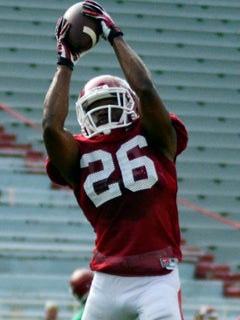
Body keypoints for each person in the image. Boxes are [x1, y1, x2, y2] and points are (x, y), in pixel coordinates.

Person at [42, 1, 188, 319]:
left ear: (130, 105)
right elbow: (50, 127)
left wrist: (114, 36)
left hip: (158, 278)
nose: (105, 112)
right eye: (96, 106)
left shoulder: (155, 135)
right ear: (83, 115)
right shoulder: (77, 151)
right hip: (107, 280)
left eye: (111, 102)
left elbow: (146, 88)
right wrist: (64, 62)